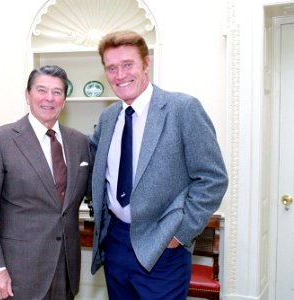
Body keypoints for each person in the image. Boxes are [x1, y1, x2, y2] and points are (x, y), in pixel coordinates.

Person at [89, 30, 229, 299]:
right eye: (111, 68)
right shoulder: (108, 118)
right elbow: (92, 164)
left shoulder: (182, 109)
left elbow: (213, 178)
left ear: (146, 63)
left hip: (163, 245)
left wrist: (180, 233)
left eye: (128, 65)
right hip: (116, 242)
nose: (120, 75)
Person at [0, 65, 91, 300]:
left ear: (64, 100)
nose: (49, 98)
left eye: (57, 92)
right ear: (27, 95)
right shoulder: (0, 140)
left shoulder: (80, 142)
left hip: (67, 268)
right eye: (42, 90)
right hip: (20, 272)